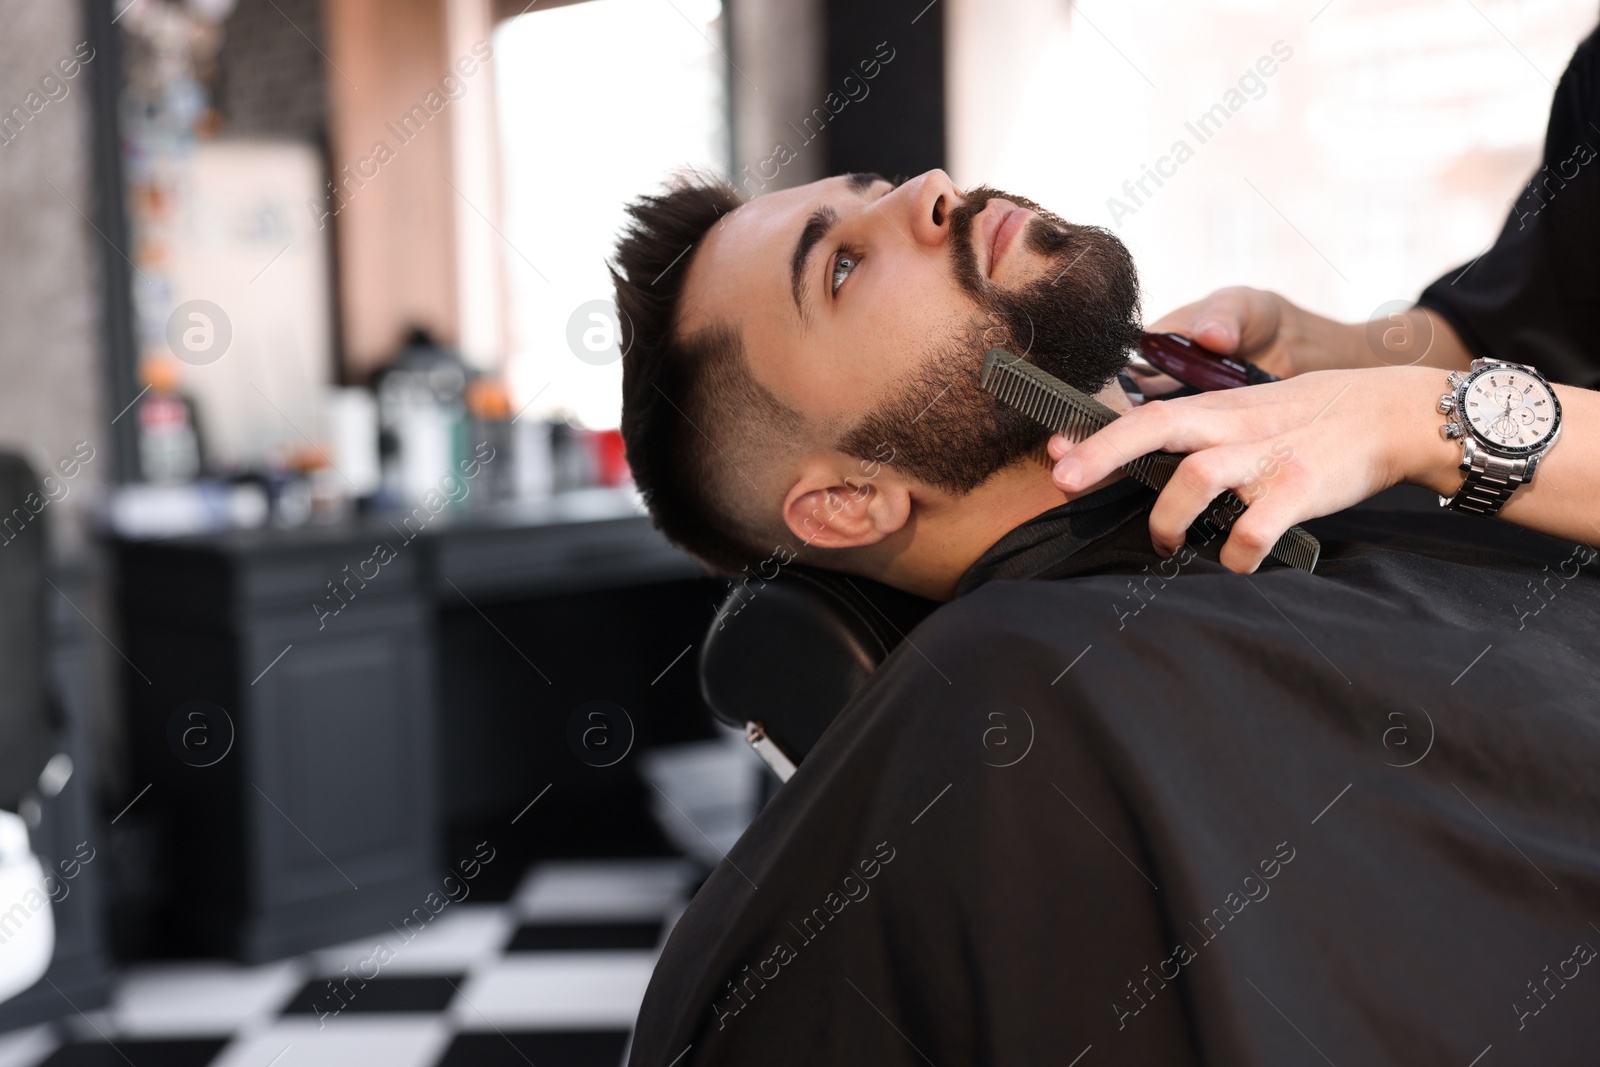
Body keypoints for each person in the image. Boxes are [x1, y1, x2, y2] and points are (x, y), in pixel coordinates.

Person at [612, 29, 1600, 1067]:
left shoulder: (1349, 449)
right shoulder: (1020, 698)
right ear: (849, 500)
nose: (934, 187)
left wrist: (1411, 407)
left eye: (882, 182)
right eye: (843, 264)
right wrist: (1420, 403)